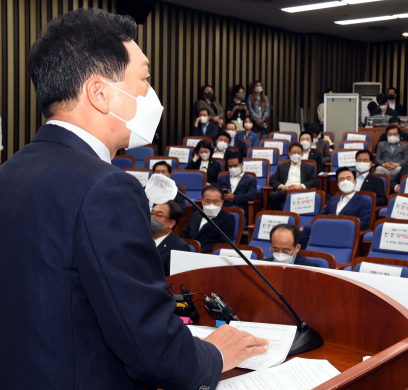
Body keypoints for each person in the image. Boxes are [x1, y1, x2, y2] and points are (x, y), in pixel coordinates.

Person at [0, 9, 267, 389]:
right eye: (144, 78)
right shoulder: (104, 188)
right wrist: (218, 352)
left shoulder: (8, 173)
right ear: (100, 93)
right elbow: (151, 350)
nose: (151, 95)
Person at [299, 167, 372, 247]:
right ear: (337, 184)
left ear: (355, 182)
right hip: (327, 229)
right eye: (341, 179)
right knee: (306, 229)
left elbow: (364, 224)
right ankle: (307, 253)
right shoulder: (333, 199)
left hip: (344, 232)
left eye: (348, 178)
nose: (345, 182)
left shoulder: (363, 201)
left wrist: (339, 225)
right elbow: (320, 217)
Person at [180, 185, 235, 254]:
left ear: (222, 203)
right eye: (207, 201)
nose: (211, 205)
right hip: (187, 252)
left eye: (215, 202)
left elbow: (223, 243)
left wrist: (198, 251)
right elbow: (184, 236)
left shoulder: (227, 218)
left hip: (208, 255)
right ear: (202, 201)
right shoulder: (195, 215)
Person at [268, 142, 319, 210]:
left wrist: (301, 186)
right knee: (273, 195)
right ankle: (278, 216)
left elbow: (316, 181)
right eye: (293, 152)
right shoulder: (282, 166)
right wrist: (282, 186)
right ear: (289, 154)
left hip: (301, 192)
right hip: (286, 191)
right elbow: (272, 180)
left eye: (298, 152)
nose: (296, 154)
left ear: (302, 154)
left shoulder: (309, 167)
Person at [151, 201, 190, 276]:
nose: (152, 218)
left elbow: (174, 281)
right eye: (151, 214)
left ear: (171, 224)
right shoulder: (142, 240)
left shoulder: (180, 247)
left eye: (158, 215)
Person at [217, 152, 258, 218]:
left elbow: (252, 195)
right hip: (223, 205)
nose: (233, 168)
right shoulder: (223, 178)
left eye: (235, 165)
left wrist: (234, 198)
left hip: (240, 206)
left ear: (242, 164)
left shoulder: (250, 180)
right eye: (230, 166)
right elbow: (217, 192)